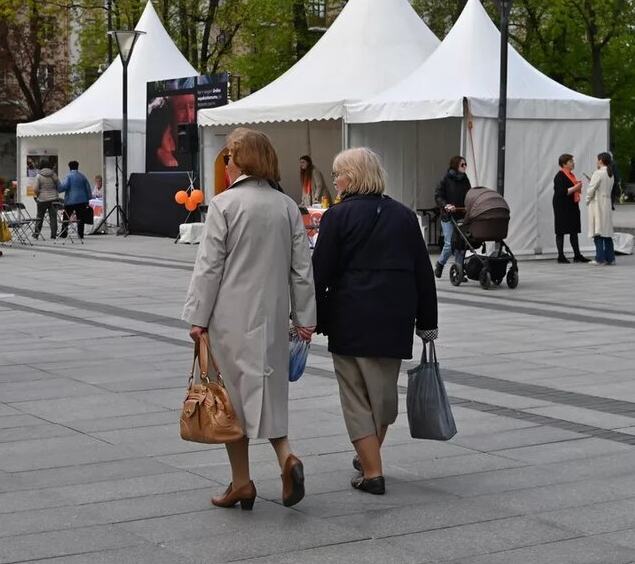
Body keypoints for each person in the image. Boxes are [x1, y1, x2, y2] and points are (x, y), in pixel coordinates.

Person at [182, 127, 316, 510]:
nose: (225, 165)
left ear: (241, 162)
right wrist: (305, 317)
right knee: (269, 391)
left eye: (228, 158)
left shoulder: (224, 205)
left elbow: (209, 267)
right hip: (272, 316)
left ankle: (242, 482)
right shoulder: (287, 206)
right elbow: (302, 269)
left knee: (229, 400)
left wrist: (197, 317)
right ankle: (286, 456)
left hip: (229, 315)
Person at [312, 148, 437, 495]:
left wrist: (308, 318)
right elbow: (423, 273)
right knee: (382, 398)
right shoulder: (405, 216)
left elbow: (319, 272)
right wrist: (427, 322)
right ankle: (370, 456)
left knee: (355, 398)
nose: (335, 179)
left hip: (350, 318)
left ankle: (372, 473)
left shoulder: (337, 217)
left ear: (351, 177)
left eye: (338, 173)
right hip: (394, 319)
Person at [433, 155, 471, 276]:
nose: (465, 167)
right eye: (462, 165)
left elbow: (469, 195)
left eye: (465, 165)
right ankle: (440, 264)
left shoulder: (465, 179)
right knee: (449, 244)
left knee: (461, 244)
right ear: (456, 166)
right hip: (448, 216)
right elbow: (438, 196)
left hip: (461, 215)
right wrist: (446, 205)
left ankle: (458, 271)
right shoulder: (446, 179)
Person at [551, 153, 588, 264]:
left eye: (573, 161)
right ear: (564, 164)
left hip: (571, 204)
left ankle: (577, 255)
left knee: (574, 229)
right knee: (561, 230)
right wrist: (576, 187)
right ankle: (560, 256)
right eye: (571, 161)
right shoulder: (560, 176)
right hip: (561, 205)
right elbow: (562, 192)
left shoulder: (571, 175)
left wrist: (576, 188)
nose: (573, 163)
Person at [587, 152, 616, 265]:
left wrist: (587, 200)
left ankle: (600, 258)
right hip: (607, 202)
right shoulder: (610, 174)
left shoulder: (598, 173)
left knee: (597, 231)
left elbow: (591, 189)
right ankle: (610, 258)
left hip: (598, 203)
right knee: (607, 232)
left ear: (600, 161)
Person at [58, 161, 91, 239]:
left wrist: (58, 187)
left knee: (66, 217)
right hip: (82, 200)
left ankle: (64, 233)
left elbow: (64, 186)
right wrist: (88, 199)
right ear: (77, 167)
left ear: (69, 167)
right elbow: (88, 188)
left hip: (70, 200)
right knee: (81, 218)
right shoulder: (82, 176)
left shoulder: (68, 176)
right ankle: (80, 234)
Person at [32, 165, 61, 239]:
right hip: (54, 198)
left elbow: (35, 188)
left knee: (40, 216)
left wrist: (39, 195)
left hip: (42, 199)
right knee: (53, 217)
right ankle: (53, 234)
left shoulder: (38, 176)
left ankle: (36, 233)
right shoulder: (53, 174)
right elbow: (59, 185)